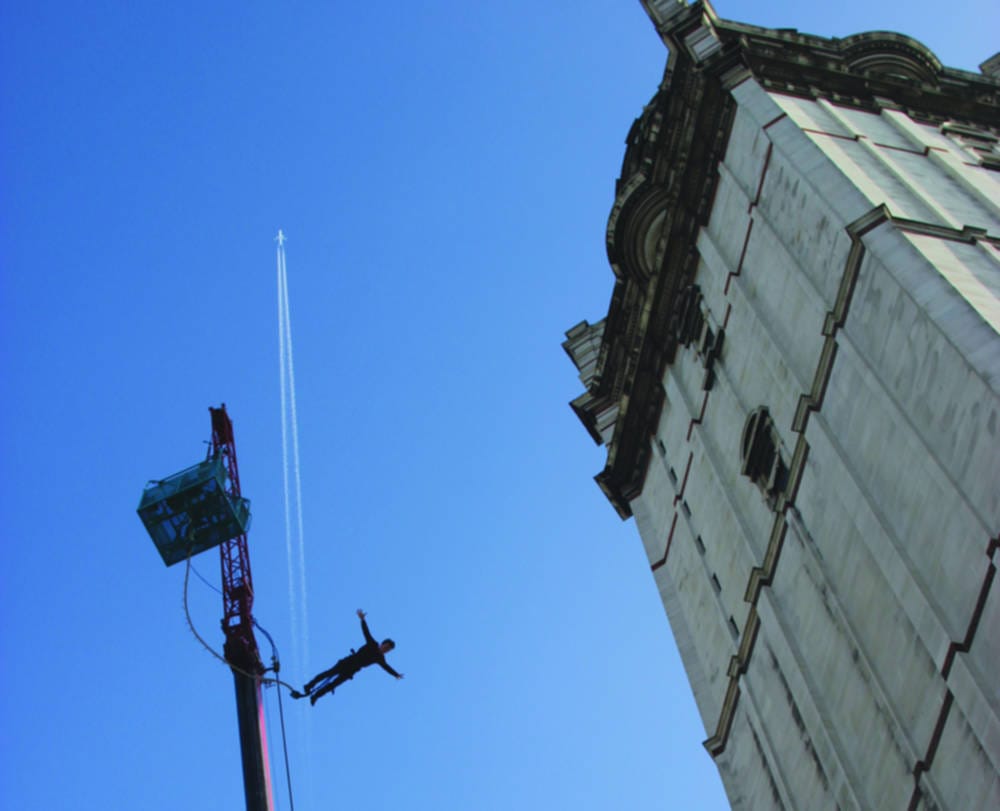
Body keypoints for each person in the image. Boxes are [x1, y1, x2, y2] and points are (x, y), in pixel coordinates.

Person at [291, 609, 403, 705]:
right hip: (348, 662)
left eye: (388, 650)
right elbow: (366, 632)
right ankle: (309, 685)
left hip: (352, 670)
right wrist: (362, 619)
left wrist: (396, 674)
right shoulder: (373, 644)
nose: (386, 650)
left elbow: (387, 668)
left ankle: (316, 696)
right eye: (386, 647)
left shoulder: (380, 659)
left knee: (334, 684)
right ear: (383, 644)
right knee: (328, 673)